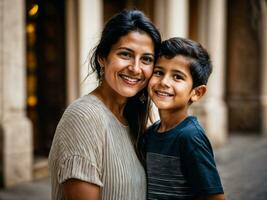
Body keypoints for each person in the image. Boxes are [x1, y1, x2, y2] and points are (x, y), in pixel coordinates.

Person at [48, 9, 161, 200]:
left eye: (146, 59)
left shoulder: (133, 119)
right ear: (102, 57)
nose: (135, 68)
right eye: (125, 54)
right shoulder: (84, 117)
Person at [140, 37, 225, 200]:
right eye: (158, 72)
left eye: (177, 77)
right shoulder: (150, 134)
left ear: (197, 92)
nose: (164, 82)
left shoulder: (190, 138)